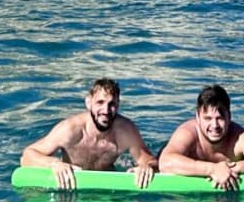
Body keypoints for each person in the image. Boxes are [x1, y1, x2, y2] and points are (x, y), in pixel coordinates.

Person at [19, 77, 158, 189]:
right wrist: (54, 164)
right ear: (88, 103)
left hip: (106, 187)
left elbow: (150, 161)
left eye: (112, 104)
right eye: (100, 102)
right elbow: (27, 156)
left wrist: (146, 167)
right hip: (70, 185)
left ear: (118, 105)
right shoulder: (69, 130)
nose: (106, 110)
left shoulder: (125, 130)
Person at [159, 84, 244, 189]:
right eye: (208, 118)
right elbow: (165, 162)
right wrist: (212, 169)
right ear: (197, 117)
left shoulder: (238, 137)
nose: (214, 125)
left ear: (229, 117)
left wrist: (233, 168)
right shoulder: (189, 132)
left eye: (220, 118)